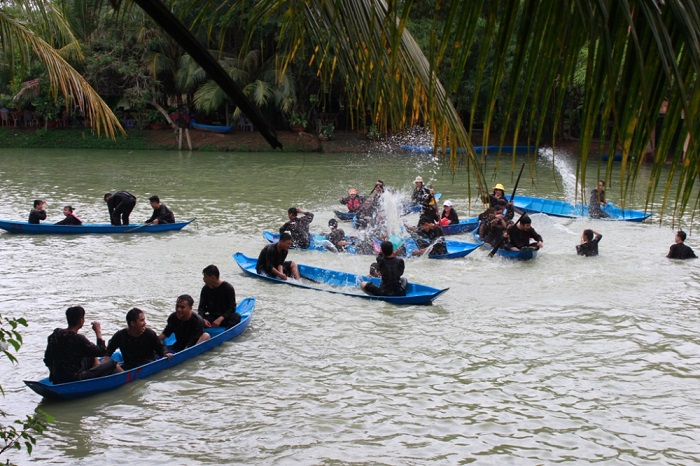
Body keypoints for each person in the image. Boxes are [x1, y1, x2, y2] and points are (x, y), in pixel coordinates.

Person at [43, 306, 119, 384]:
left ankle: (96, 378)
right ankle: (124, 381)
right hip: (75, 379)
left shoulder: (55, 334)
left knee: (91, 355)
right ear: (81, 321)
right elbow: (102, 351)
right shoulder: (78, 338)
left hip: (57, 378)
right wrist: (98, 332)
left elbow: (47, 359)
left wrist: (55, 375)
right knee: (113, 363)